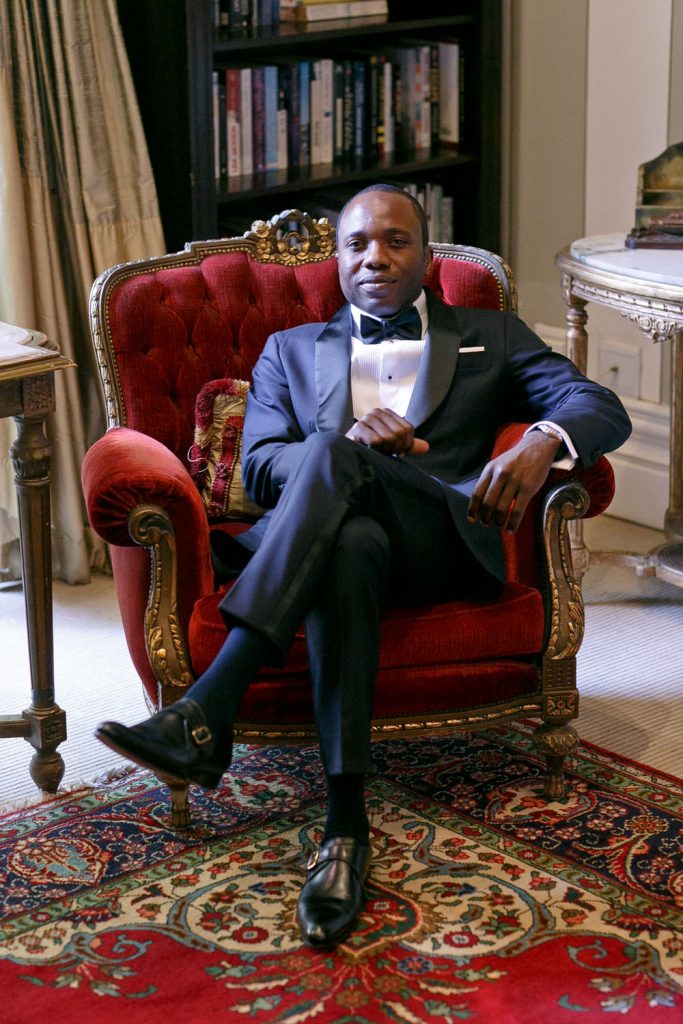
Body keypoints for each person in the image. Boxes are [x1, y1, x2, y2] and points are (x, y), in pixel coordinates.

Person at [96, 183, 631, 949]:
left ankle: (208, 706)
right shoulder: (290, 350)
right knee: (346, 530)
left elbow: (598, 404)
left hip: (442, 542)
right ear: (338, 260)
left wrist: (539, 438)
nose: (374, 257)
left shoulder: (492, 332)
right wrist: (349, 451)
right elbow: (263, 466)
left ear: (425, 253)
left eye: (394, 241)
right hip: (340, 545)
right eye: (356, 244)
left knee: (336, 476)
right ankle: (345, 828)